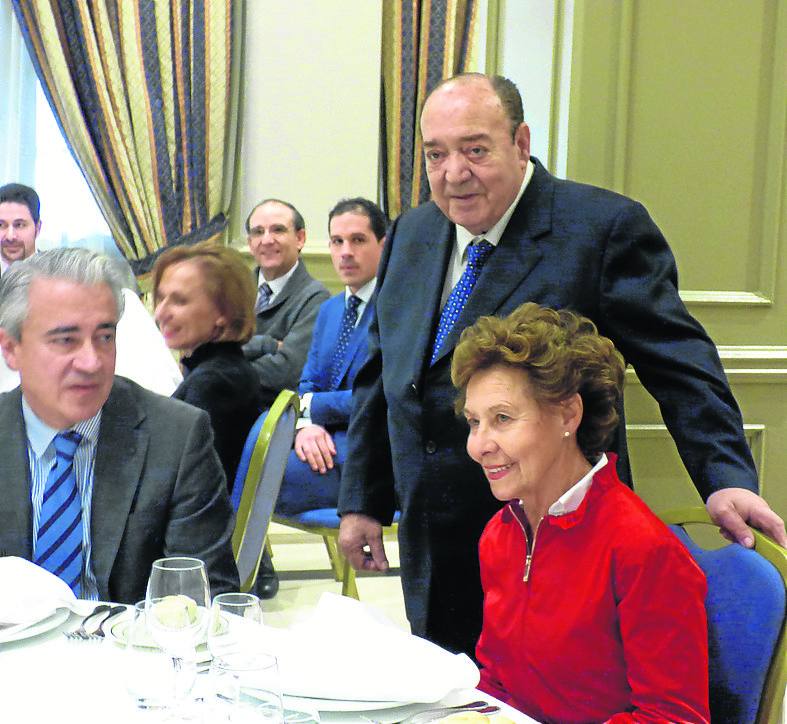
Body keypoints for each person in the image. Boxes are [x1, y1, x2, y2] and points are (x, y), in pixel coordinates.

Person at [338, 72, 787, 657]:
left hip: (557, 543)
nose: (454, 174)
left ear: (521, 142)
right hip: (432, 538)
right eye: (436, 154)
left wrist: (725, 474)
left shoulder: (601, 229)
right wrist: (362, 499)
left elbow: (679, 363)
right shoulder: (412, 232)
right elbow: (384, 374)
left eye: (475, 150)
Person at [454, 303, 709, 723]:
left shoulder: (641, 548)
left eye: (502, 419)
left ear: (568, 414)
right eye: (473, 422)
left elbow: (673, 718)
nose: (479, 445)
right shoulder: (500, 535)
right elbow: (499, 685)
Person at [0, 248, 238, 603]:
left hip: (130, 652)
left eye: (104, 336)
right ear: (11, 348)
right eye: (66, 340)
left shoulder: (176, 437)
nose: (91, 361)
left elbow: (204, 599)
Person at [0, 182, 182, 396]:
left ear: (38, 228)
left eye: (20, 225)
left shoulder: (65, 276)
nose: (10, 235)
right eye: (2, 225)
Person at [278, 197, 386, 515]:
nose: (345, 252)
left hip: (370, 453)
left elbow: (381, 398)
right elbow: (308, 383)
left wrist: (314, 407)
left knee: (260, 483)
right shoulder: (330, 309)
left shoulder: (398, 309)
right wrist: (306, 426)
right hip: (321, 442)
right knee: (248, 463)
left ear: (384, 244)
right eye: (337, 242)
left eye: (358, 240)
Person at [152, 241, 264, 490]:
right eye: (160, 298)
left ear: (224, 312)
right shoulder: (227, 371)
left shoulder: (214, 384)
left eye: (179, 301)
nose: (160, 313)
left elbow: (193, 489)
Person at [242, 198, 330, 407]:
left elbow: (284, 372)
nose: (267, 240)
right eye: (258, 232)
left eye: (278, 230)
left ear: (300, 238)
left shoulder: (315, 299)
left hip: (267, 421)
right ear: (250, 243)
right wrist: (267, 345)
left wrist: (221, 366)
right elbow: (202, 352)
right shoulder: (232, 289)